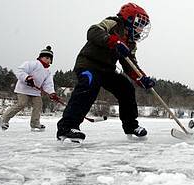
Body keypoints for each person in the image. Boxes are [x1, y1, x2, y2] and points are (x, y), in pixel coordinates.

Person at [56, 3, 155, 142]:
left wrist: (141, 78)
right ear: (130, 19)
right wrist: (113, 41)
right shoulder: (113, 23)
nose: (141, 29)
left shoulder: (131, 43)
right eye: (139, 24)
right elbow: (93, 32)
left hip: (106, 70)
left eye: (143, 26)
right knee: (90, 84)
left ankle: (131, 126)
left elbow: (130, 65)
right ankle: (67, 126)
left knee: (126, 87)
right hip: (88, 65)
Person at [0, 46, 58, 132]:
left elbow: (48, 84)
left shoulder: (47, 72)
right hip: (23, 89)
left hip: (35, 91)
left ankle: (35, 124)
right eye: (46, 57)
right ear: (41, 57)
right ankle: (3, 119)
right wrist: (27, 78)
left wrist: (52, 93)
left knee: (38, 105)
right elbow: (20, 71)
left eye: (50, 59)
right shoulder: (32, 64)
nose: (48, 60)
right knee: (22, 103)